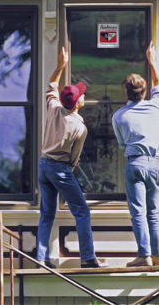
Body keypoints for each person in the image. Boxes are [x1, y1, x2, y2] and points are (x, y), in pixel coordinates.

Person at [37, 47, 106, 269]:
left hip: (43, 165)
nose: (83, 94)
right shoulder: (79, 127)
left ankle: (41, 258)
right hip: (60, 169)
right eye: (81, 94)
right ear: (76, 103)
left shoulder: (54, 108)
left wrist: (61, 65)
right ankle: (87, 258)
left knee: (47, 214)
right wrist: (68, 171)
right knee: (82, 211)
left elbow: (51, 86)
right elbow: (74, 160)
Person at [112, 41, 159, 267]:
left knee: (139, 212)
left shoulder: (119, 116)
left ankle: (144, 256)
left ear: (126, 92)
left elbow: (122, 143)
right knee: (154, 212)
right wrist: (151, 60)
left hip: (135, 164)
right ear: (144, 92)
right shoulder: (155, 107)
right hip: (156, 164)